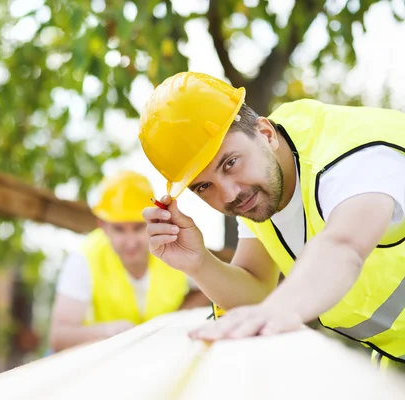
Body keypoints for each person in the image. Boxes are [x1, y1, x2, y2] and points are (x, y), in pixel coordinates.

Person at [138, 71, 405, 371]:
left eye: (229, 163)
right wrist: (198, 262)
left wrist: (281, 309)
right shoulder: (264, 181)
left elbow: (344, 245)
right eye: (203, 187)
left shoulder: (350, 156)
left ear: (264, 133)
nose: (229, 194)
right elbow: (255, 291)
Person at [48, 170, 210, 352]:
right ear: (103, 226)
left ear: (153, 220)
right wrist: (107, 331)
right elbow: (59, 336)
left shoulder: (173, 246)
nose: (130, 241)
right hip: (102, 358)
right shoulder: (84, 258)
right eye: (119, 229)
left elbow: (207, 287)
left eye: (138, 227)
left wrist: (177, 316)